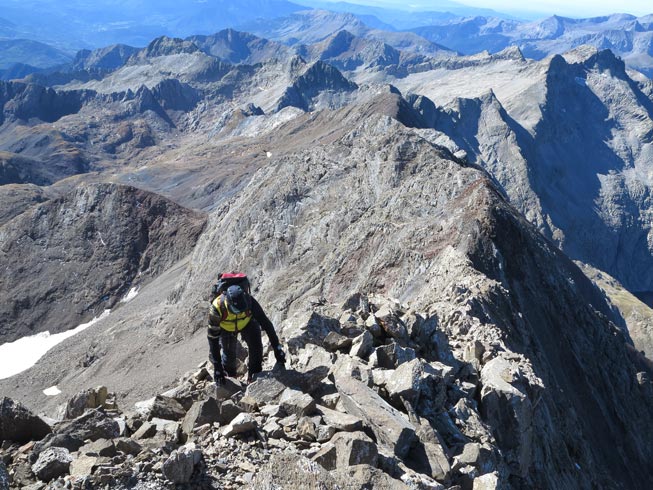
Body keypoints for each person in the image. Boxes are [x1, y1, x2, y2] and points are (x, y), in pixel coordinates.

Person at [207, 284, 286, 385]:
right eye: (235, 310)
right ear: (228, 303)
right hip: (226, 328)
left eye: (241, 309)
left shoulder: (249, 301)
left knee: (256, 348)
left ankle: (254, 377)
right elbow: (212, 338)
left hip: (247, 323)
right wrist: (217, 368)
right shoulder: (217, 307)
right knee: (228, 354)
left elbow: (266, 324)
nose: (238, 312)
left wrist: (277, 349)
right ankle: (231, 381)